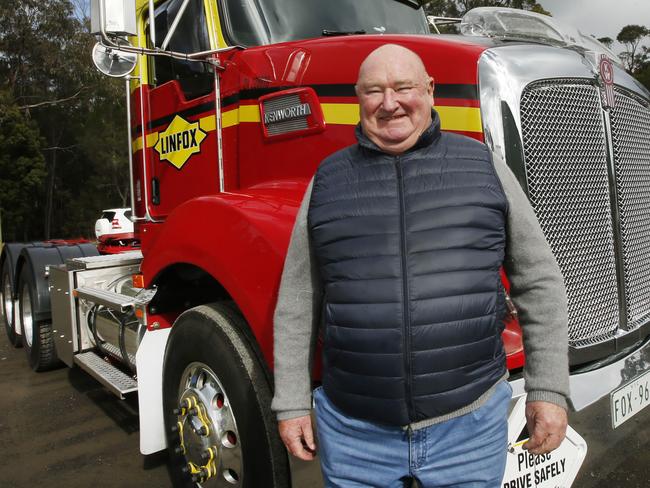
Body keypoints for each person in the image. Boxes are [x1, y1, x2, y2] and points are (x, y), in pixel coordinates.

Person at [271, 43, 569, 487]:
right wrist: (292, 401)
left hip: (468, 431)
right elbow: (297, 300)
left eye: (402, 87)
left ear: (429, 90)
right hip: (356, 439)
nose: (389, 103)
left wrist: (548, 389)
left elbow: (539, 281)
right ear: (358, 98)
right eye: (374, 91)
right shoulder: (328, 180)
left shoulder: (483, 167)